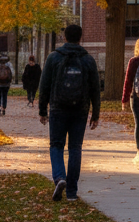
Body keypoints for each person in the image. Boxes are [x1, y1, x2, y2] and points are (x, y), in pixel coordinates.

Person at [38, 23, 101, 202]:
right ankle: (72, 191)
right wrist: (95, 114)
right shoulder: (88, 59)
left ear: (64, 37)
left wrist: (43, 110)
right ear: (81, 38)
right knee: (75, 148)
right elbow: (95, 88)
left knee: (56, 145)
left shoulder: (53, 58)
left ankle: (60, 178)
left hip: (58, 108)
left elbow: (44, 86)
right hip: (80, 109)